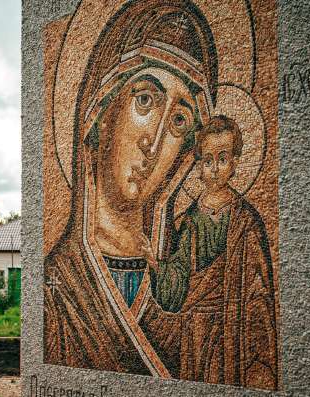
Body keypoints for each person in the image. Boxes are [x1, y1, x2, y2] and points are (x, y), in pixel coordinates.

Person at [44, 0, 218, 378]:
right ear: (101, 112)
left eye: (177, 121)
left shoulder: (188, 276)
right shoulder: (53, 293)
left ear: (186, 154)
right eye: (145, 101)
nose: (153, 144)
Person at [138, 115, 279, 389]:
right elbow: (179, 274)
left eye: (223, 158)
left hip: (232, 326)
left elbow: (259, 288)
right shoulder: (190, 220)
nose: (215, 168)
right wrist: (156, 265)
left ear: (235, 163)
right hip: (196, 329)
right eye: (208, 160)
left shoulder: (246, 219)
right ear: (199, 166)